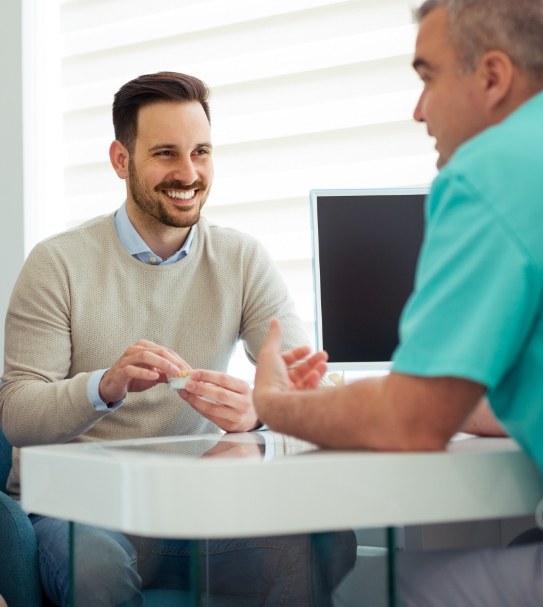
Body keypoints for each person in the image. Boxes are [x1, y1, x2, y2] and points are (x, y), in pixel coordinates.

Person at [0, 72, 354, 606]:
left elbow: (307, 380)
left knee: (322, 544)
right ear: (122, 160)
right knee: (97, 566)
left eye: (201, 152)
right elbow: (18, 414)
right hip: (84, 510)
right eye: (166, 153)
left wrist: (262, 409)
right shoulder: (58, 264)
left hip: (193, 511)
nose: (188, 173)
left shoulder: (241, 259)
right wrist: (105, 386)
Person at [253, 0, 543, 604]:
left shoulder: (491, 171)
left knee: (368, 589)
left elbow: (411, 423)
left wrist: (275, 405)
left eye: (427, 78)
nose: (418, 111)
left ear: (492, 77)